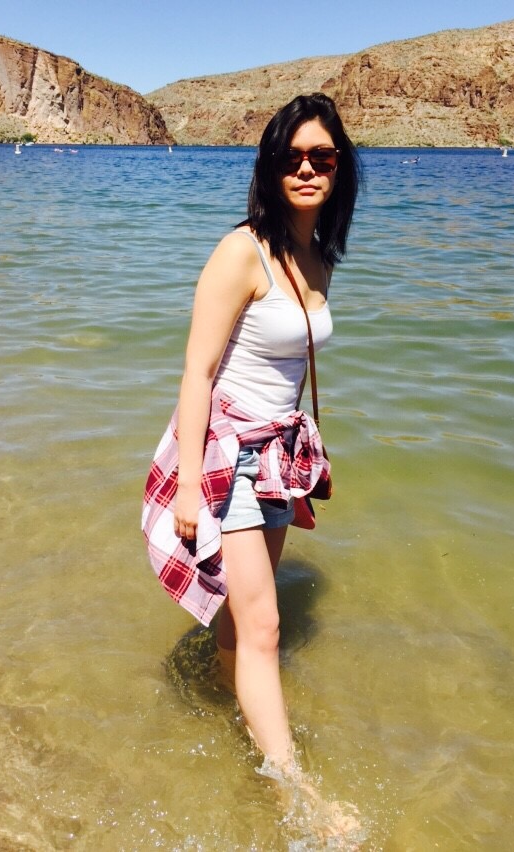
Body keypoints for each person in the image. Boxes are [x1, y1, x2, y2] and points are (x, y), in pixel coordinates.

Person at [143, 93, 361, 779]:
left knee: (245, 617)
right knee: (265, 623)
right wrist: (184, 488)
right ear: (269, 168)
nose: (306, 168)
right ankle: (294, 792)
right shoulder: (242, 252)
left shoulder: (318, 256)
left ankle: (224, 696)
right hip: (226, 457)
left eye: (321, 156)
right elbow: (198, 370)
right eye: (291, 157)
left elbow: (290, 371)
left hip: (276, 455)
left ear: (339, 168)